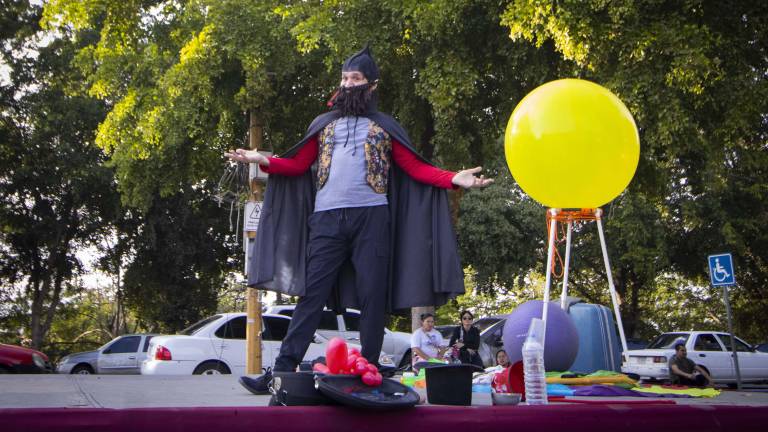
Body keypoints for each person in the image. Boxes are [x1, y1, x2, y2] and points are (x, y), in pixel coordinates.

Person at [227, 45, 492, 395]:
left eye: (355, 79)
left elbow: (413, 168)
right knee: (310, 297)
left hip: (372, 219)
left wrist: (453, 178)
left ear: (371, 86)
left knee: (373, 298)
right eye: (344, 78)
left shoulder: (385, 127)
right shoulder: (323, 125)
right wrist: (260, 158)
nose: (348, 84)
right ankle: (280, 372)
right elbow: (296, 164)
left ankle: (368, 373)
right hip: (326, 221)